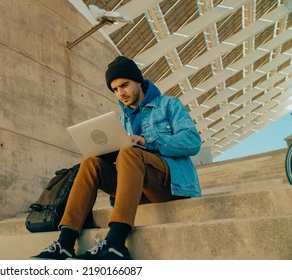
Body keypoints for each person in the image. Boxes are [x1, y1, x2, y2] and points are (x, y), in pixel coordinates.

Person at [32, 56, 202, 260]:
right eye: (115, 89)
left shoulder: (168, 105)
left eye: (124, 85)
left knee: (130, 152)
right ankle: (65, 242)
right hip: (136, 187)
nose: (121, 93)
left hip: (168, 184)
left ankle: (115, 243)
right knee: (91, 163)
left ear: (138, 81)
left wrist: (148, 141)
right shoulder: (120, 120)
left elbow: (192, 141)